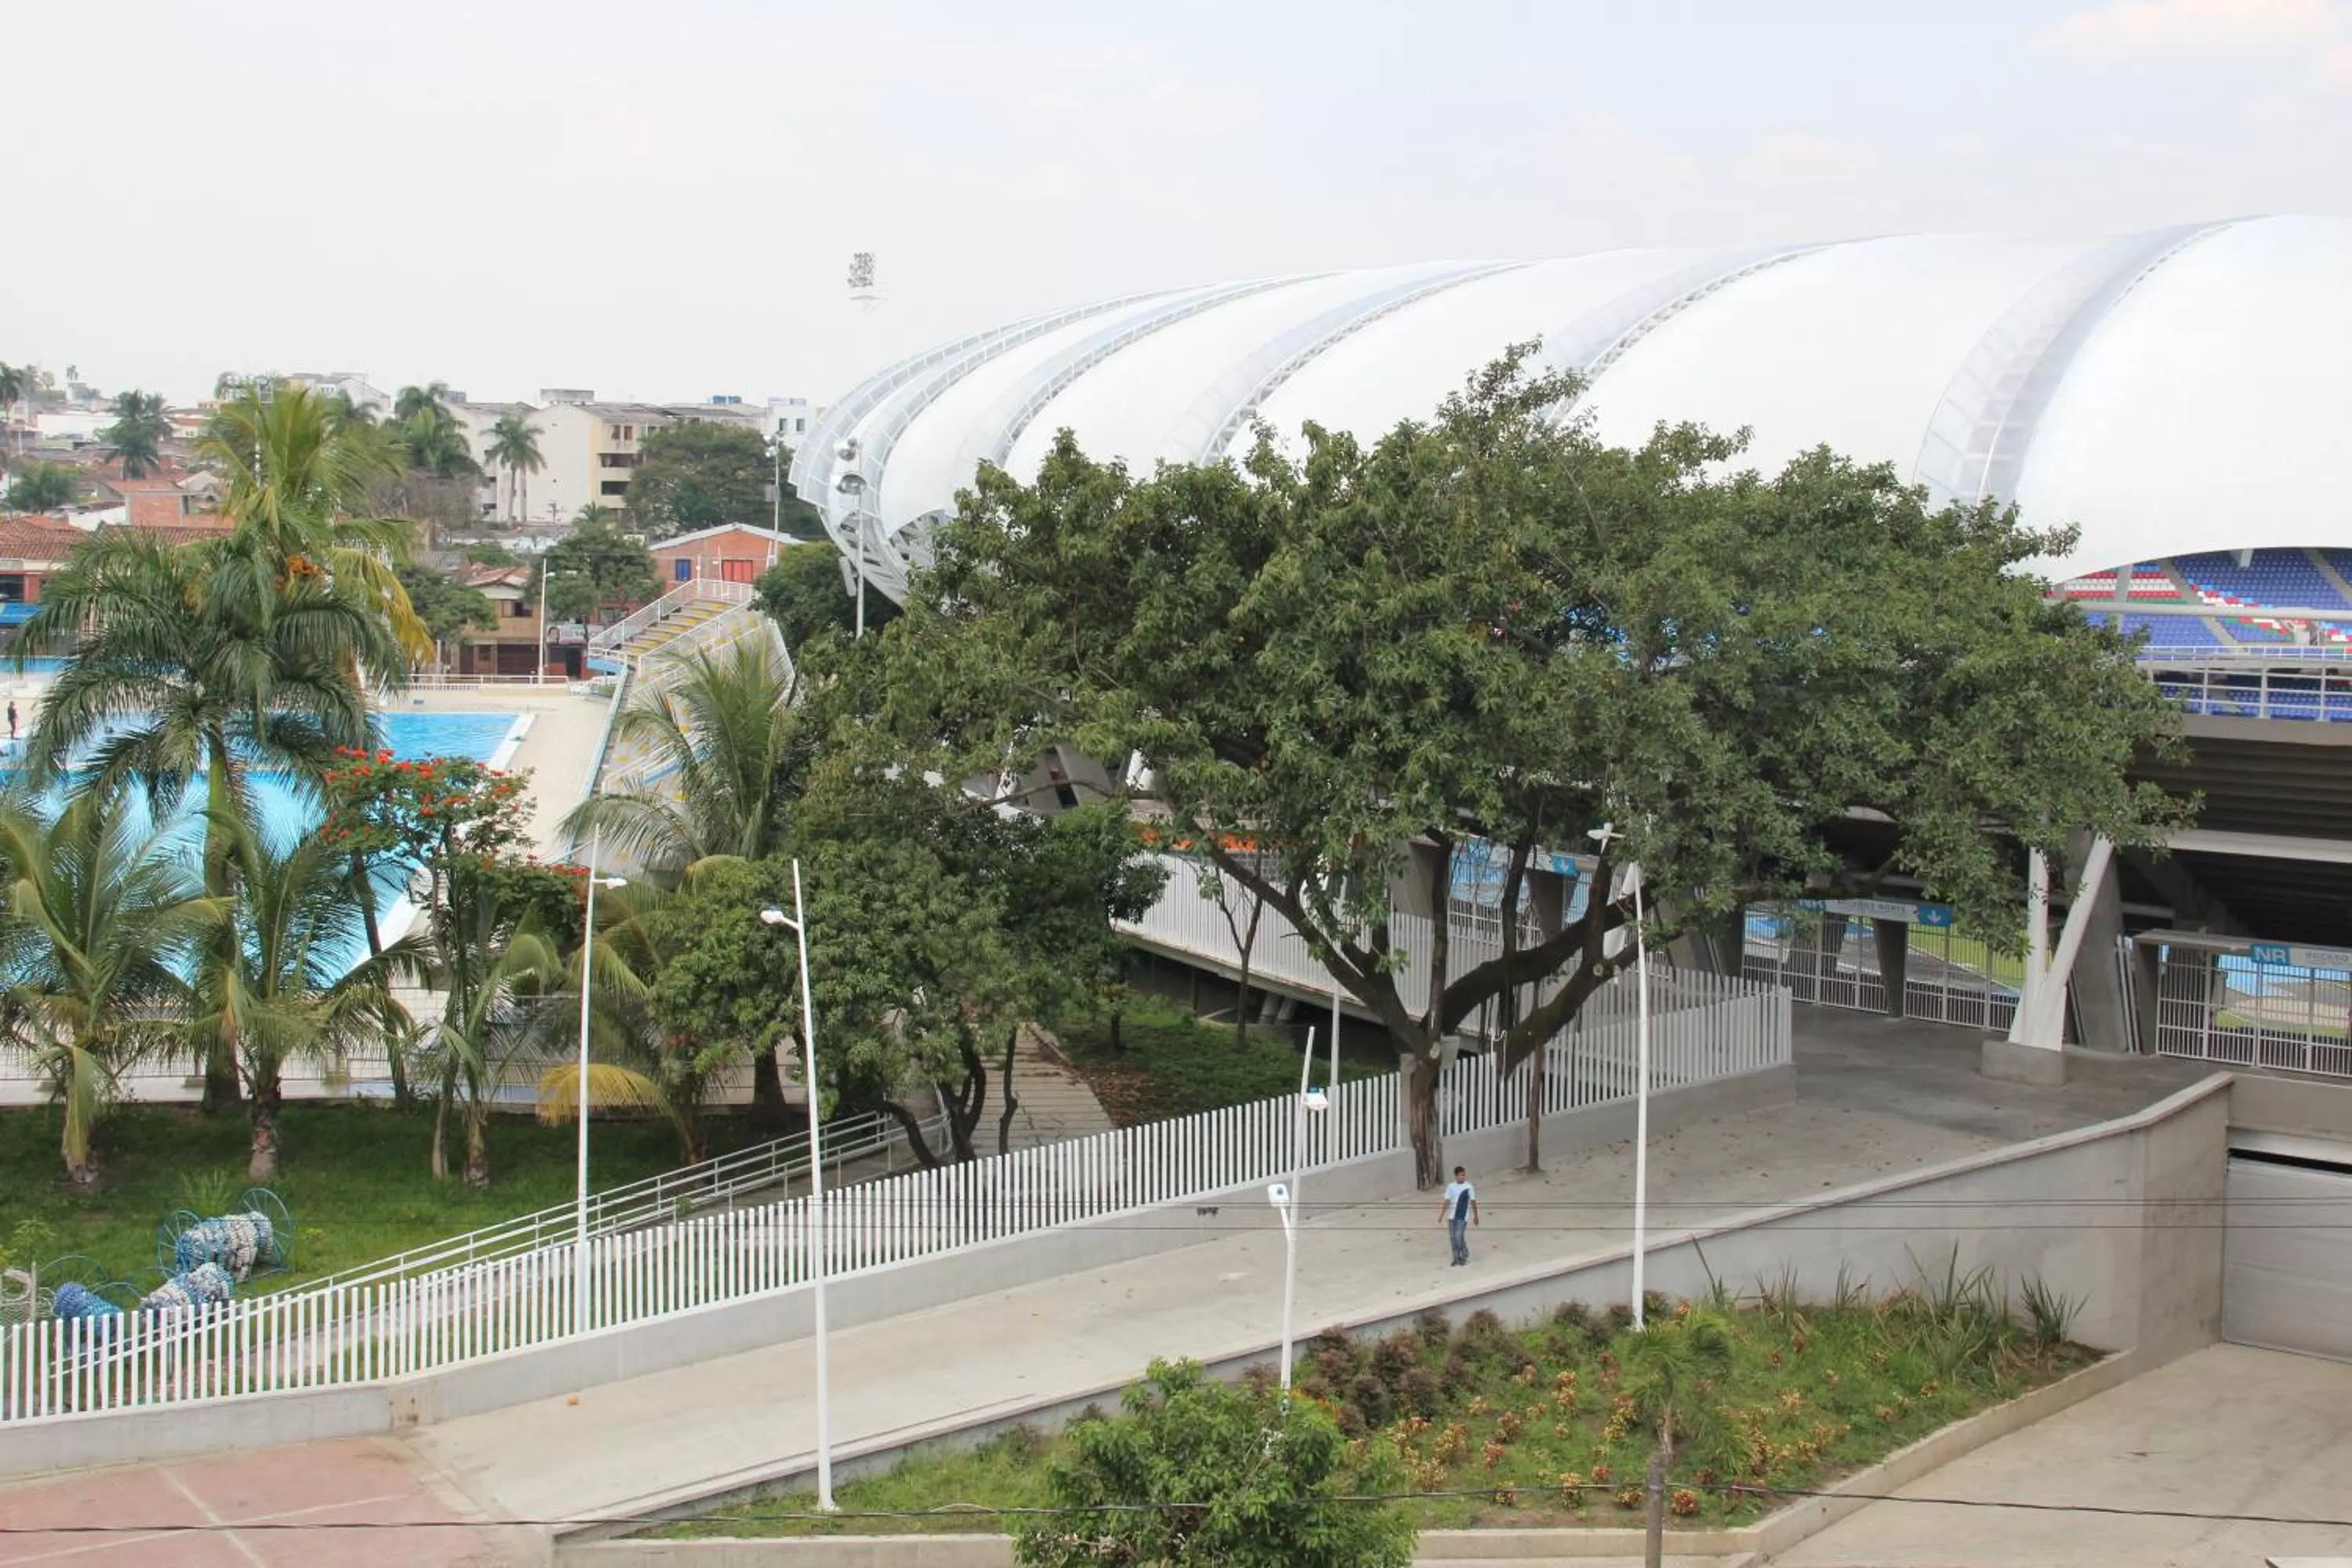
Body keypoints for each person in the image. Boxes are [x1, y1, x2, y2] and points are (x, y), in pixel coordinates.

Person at [1440, 1165, 1479, 1266]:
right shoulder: (1451, 1187)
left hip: (1462, 1216)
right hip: (1452, 1216)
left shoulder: (1469, 1187)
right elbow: (1447, 1201)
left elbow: (1473, 1202)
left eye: (1464, 1175)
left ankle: (1462, 1254)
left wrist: (1476, 1215)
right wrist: (1442, 1214)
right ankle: (1456, 1258)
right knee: (1453, 1238)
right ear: (1456, 1176)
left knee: (1458, 1236)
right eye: (1461, 1175)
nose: (1463, 1177)